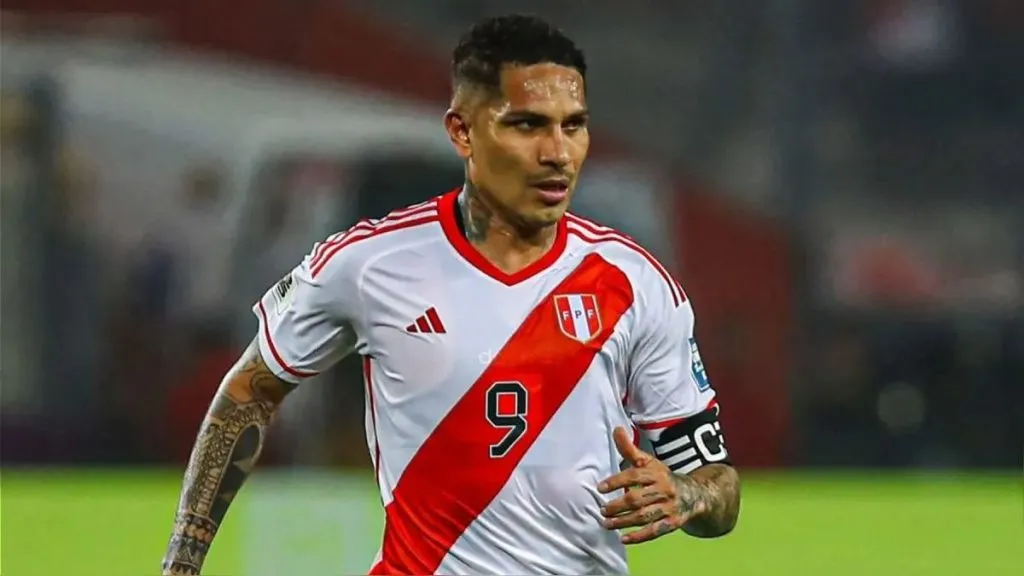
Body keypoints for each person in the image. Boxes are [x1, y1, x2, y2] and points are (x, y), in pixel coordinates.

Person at [161, 13, 741, 576]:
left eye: (574, 124)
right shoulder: (369, 265)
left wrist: (685, 495)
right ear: (462, 130)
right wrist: (182, 562)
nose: (558, 153)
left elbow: (720, 489)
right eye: (527, 124)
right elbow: (249, 392)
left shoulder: (633, 282)